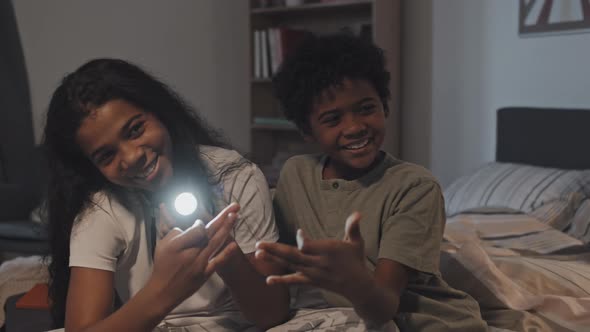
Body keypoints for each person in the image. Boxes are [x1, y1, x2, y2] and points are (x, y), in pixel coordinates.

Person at [255, 33, 488, 331]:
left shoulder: (415, 187)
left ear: (384, 107)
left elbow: (384, 306)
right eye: (332, 119)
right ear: (307, 131)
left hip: (423, 322)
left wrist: (354, 280)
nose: (354, 127)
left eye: (366, 109)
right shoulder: (295, 174)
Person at [43, 58, 289, 331]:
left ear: (160, 112)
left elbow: (272, 313)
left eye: (136, 130)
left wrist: (224, 251)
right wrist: (166, 288)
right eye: (106, 155)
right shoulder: (101, 210)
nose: (132, 156)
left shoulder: (233, 176)